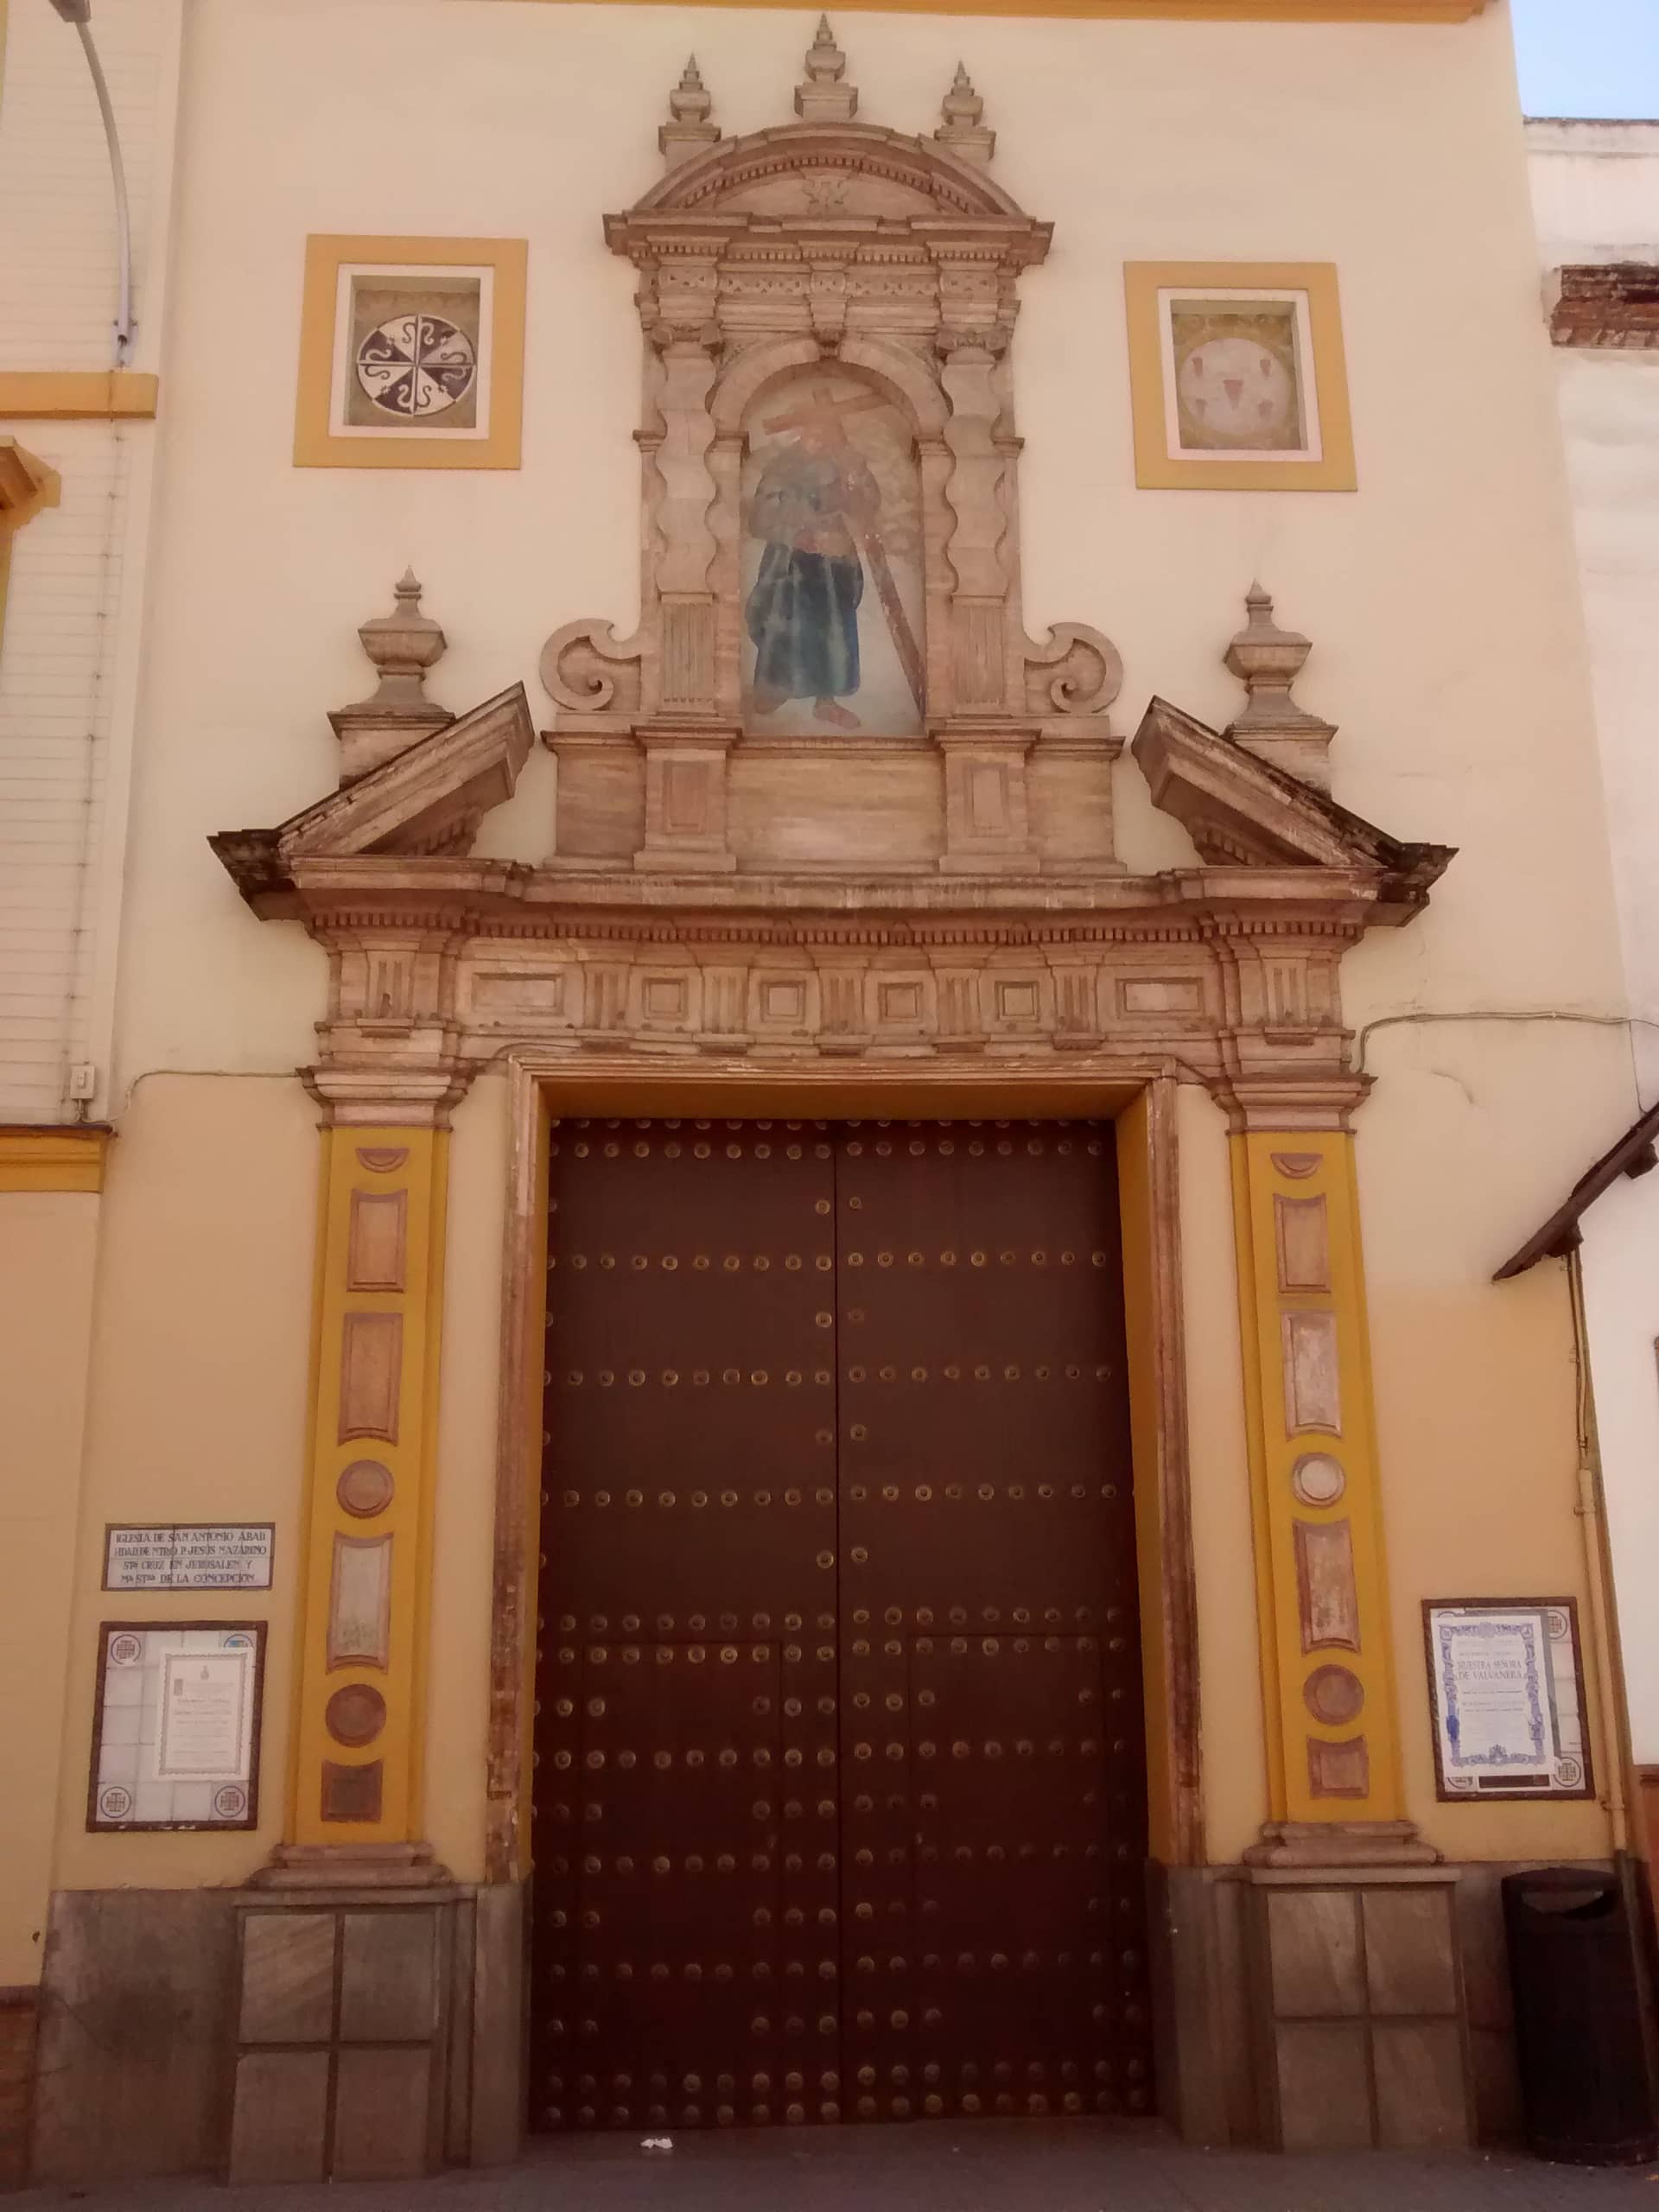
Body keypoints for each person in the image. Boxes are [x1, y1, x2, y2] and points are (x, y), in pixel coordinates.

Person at [745, 415, 881, 730]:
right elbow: (759, 517)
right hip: (791, 558)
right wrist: (795, 535)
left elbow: (868, 503)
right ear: (803, 432)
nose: (820, 441)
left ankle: (826, 700)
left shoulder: (842, 464)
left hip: (833, 557)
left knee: (832, 627)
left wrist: (857, 474)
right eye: (815, 433)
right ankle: (774, 686)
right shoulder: (782, 468)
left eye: (827, 434)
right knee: (782, 621)